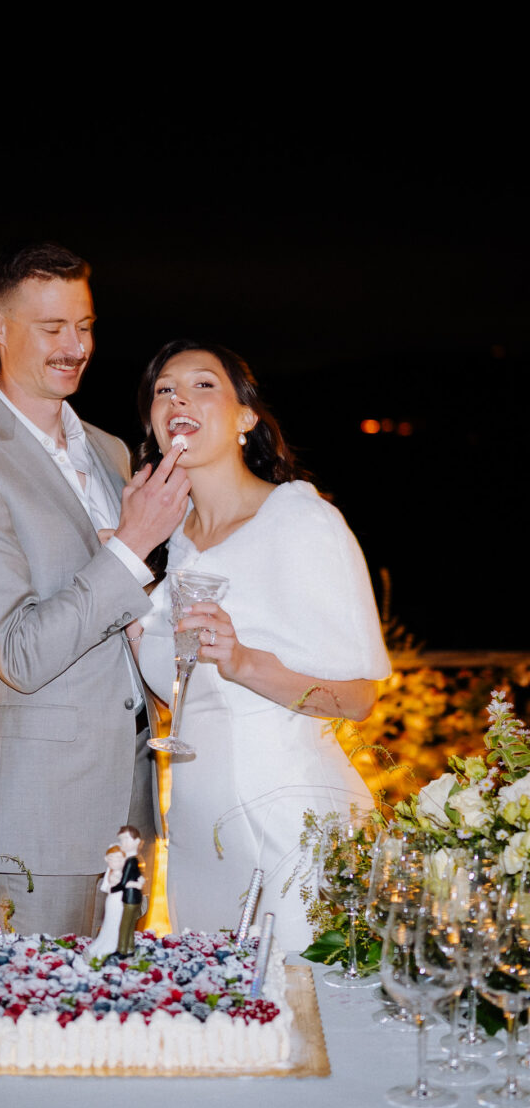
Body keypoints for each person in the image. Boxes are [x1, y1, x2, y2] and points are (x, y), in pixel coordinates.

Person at [0, 242, 190, 935]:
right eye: (52, 328)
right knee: (35, 1032)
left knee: (113, 1022)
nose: (75, 347)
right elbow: (19, 651)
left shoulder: (111, 449)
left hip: (131, 805)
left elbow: (124, 614)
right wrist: (130, 547)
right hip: (38, 811)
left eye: (85, 326)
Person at [130, 339, 391, 951]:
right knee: (230, 1024)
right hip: (195, 836)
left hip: (288, 828)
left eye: (202, 385)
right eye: (164, 389)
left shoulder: (299, 523)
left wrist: (244, 662)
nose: (178, 399)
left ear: (246, 417)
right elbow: (176, 705)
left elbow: (357, 699)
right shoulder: (172, 547)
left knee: (312, 1020)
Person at [85, 845, 125, 961]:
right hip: (112, 900)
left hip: (120, 901)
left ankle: (115, 946)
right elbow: (106, 887)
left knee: (117, 923)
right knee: (109, 921)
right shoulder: (111, 873)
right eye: (111, 859)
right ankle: (105, 945)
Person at [112, 825, 144, 956]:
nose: (122, 843)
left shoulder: (130, 861)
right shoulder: (135, 860)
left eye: (126, 839)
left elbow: (124, 882)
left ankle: (122, 950)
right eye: (121, 840)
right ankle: (130, 948)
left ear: (136, 842)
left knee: (124, 926)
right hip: (136, 897)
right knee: (131, 926)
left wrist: (112, 888)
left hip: (129, 898)